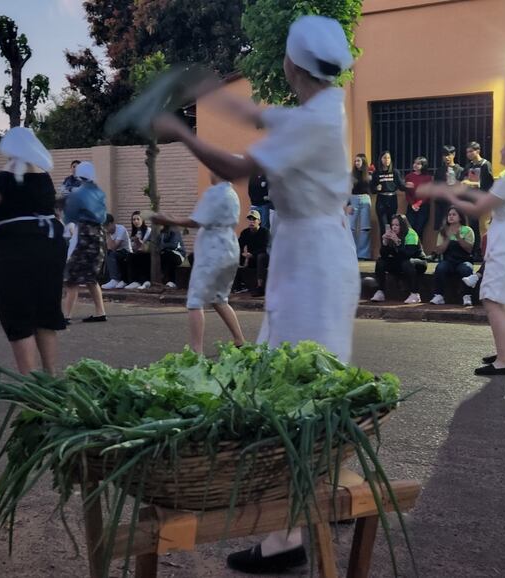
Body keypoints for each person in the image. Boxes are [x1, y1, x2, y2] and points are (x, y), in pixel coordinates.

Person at [151, 14, 359, 573]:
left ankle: (286, 537)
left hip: (310, 263)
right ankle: (329, 486)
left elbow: (237, 166)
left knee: (289, 393)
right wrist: (208, 92)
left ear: (290, 64)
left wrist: (184, 134)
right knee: (319, 377)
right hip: (322, 254)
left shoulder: (307, 124)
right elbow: (255, 113)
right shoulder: (326, 105)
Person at [420, 135, 505, 375]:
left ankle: (504, 361)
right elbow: (488, 200)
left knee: (492, 299)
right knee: (500, 300)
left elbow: (478, 208)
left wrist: (449, 195)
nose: (501, 149)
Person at [0, 127, 66, 374]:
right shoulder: (44, 177)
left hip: (17, 251)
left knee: (18, 314)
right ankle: (52, 378)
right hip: (50, 246)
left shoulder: (2, 179)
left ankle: (30, 387)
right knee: (45, 313)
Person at [152, 172, 245, 353]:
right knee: (219, 298)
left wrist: (168, 219)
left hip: (213, 251)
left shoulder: (215, 192)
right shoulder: (232, 194)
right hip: (230, 249)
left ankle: (197, 352)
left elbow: (195, 221)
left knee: (195, 300)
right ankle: (239, 339)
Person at [62, 162, 108, 323]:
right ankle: (100, 312)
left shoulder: (77, 194)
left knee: (71, 278)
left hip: (85, 236)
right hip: (99, 236)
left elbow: (69, 219)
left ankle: (65, 316)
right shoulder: (99, 192)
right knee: (90, 277)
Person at [370, 214, 426, 304]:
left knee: (407, 263)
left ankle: (415, 294)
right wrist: (385, 243)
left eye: (397, 225)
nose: (394, 227)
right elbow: (384, 255)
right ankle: (380, 292)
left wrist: (397, 242)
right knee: (380, 262)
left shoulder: (411, 234)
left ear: (403, 225)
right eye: (393, 225)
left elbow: (409, 254)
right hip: (400, 262)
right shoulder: (392, 234)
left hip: (417, 262)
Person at [429, 206, 476, 307]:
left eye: (454, 214)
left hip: (463, 260)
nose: (451, 217)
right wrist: (448, 238)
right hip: (449, 261)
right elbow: (439, 250)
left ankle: (466, 296)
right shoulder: (443, 231)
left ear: (460, 217)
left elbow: (469, 249)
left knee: (466, 269)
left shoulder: (467, 230)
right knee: (440, 268)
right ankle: (439, 295)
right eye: (449, 215)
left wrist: (459, 237)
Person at [461, 141, 494, 260]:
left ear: (478, 151)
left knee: (484, 227)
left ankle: (486, 252)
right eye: (467, 152)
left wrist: (472, 184)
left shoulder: (485, 164)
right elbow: (462, 178)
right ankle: (475, 252)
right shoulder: (469, 166)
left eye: (471, 151)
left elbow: (489, 184)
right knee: (473, 226)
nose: (469, 154)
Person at [370, 150, 407, 239]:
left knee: (392, 226)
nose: (386, 160)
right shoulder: (377, 173)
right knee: (384, 226)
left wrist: (408, 186)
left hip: (392, 199)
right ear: (381, 160)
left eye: (388, 158)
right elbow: (372, 189)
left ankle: (392, 249)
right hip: (381, 200)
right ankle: (384, 250)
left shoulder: (395, 172)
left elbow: (401, 186)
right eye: (384, 158)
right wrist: (376, 188)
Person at [233, 209, 270, 296]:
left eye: (254, 219)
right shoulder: (245, 232)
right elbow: (238, 245)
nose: (251, 222)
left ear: (259, 221)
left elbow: (265, 248)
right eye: (250, 219)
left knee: (261, 256)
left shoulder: (265, 232)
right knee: (234, 254)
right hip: (251, 259)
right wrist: (242, 254)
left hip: (263, 259)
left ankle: (260, 287)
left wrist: (252, 254)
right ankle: (238, 285)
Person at [347, 153, 372, 259]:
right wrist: (348, 203)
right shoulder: (351, 175)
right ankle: (350, 252)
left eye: (359, 161)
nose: (356, 163)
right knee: (351, 227)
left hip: (365, 199)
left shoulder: (369, 175)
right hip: (353, 199)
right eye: (355, 161)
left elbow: (373, 188)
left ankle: (363, 254)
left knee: (365, 228)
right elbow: (347, 189)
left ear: (363, 162)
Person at [433, 145, 464, 230]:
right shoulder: (439, 171)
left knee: (455, 229)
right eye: (444, 155)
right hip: (441, 204)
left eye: (448, 155)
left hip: (454, 205)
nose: (446, 157)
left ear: (453, 155)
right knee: (442, 229)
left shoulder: (460, 170)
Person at [404, 156, 433, 242]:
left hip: (423, 207)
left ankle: (419, 252)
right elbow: (407, 193)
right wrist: (412, 204)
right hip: (411, 207)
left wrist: (418, 204)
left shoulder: (428, 178)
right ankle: (409, 250)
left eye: (418, 164)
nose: (415, 165)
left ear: (423, 166)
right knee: (410, 229)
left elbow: (428, 194)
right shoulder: (409, 176)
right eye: (414, 163)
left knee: (419, 229)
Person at [101, 214, 132, 289]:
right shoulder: (106, 231)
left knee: (111, 253)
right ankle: (101, 279)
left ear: (111, 223)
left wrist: (107, 234)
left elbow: (113, 247)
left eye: (106, 226)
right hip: (115, 253)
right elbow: (108, 248)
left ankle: (115, 279)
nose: (105, 228)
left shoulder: (121, 229)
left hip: (126, 253)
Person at [125, 211, 152, 289]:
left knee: (139, 256)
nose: (136, 221)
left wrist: (139, 241)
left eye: (138, 219)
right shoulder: (135, 231)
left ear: (142, 220)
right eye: (133, 219)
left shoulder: (148, 230)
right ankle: (133, 281)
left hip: (147, 253)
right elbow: (133, 247)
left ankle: (143, 281)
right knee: (129, 256)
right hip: (137, 252)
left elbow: (146, 246)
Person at [159, 224, 185, 288]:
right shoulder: (158, 232)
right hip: (165, 253)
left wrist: (161, 246)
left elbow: (173, 245)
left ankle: (172, 281)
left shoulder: (173, 230)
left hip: (178, 255)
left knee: (169, 255)